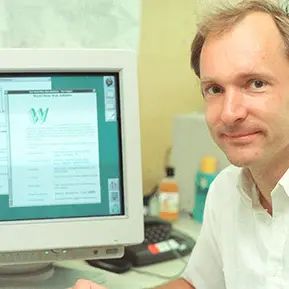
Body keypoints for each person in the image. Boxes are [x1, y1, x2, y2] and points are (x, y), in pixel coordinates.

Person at [71, 0, 289, 288]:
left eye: (255, 83)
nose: (229, 112)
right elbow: (197, 284)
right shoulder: (226, 192)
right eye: (214, 89)